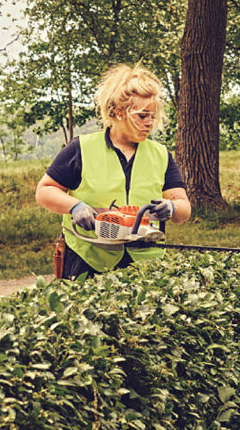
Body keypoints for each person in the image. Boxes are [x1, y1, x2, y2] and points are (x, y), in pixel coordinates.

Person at [35, 64, 192, 280]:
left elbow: (184, 210)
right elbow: (45, 191)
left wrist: (173, 207)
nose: (149, 123)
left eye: (152, 117)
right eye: (142, 116)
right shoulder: (82, 148)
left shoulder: (161, 155)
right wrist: (74, 206)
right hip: (87, 259)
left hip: (146, 264)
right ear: (119, 113)